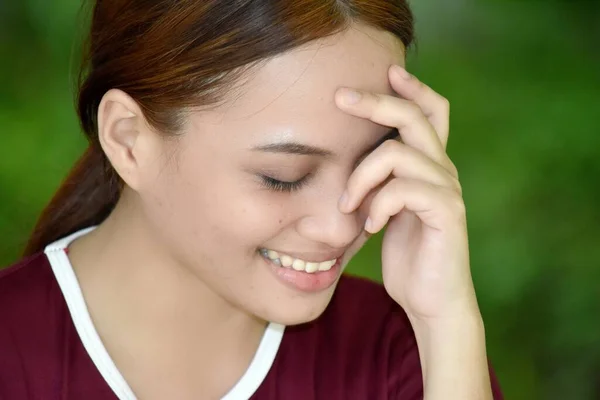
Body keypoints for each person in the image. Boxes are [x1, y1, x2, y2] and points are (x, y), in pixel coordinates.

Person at [0, 1, 504, 399]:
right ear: (129, 139)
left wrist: (447, 323)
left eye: (373, 163)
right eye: (282, 177)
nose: (341, 225)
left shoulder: (404, 352)